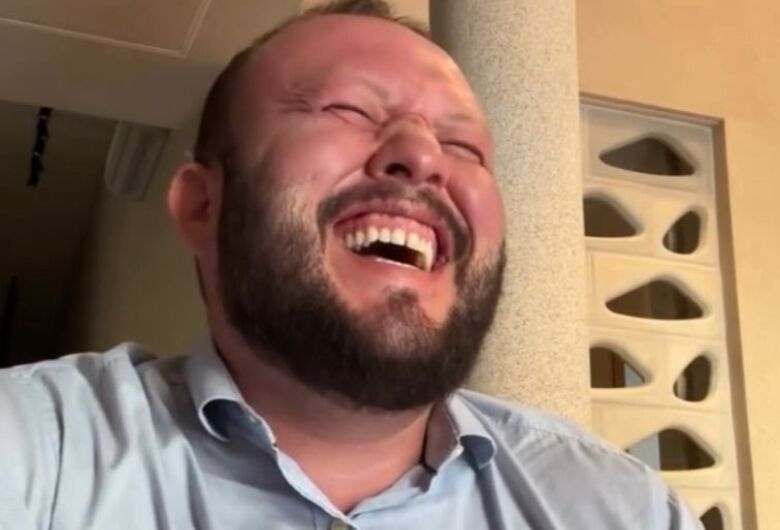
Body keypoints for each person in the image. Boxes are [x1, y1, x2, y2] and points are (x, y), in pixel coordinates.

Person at [0, 1, 701, 528]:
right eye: (346, 110)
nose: (422, 155)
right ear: (202, 206)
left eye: (464, 147)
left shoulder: (620, 509)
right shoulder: (40, 448)